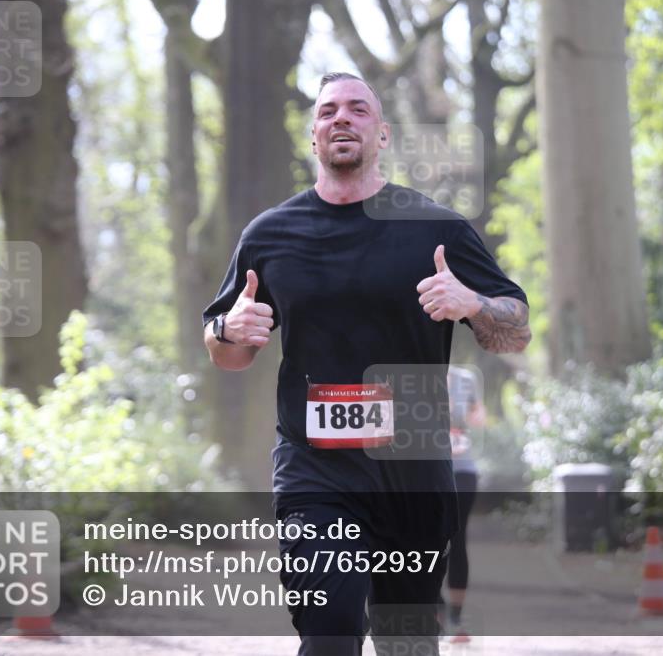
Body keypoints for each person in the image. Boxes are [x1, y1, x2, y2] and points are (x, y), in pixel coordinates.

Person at [202, 71, 530, 656]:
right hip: (314, 472)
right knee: (330, 638)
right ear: (313, 136)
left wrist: (474, 304)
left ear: (381, 134)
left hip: (414, 472)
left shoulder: (436, 229)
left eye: (357, 110)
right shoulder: (269, 235)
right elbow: (229, 355)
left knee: (407, 643)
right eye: (328, 111)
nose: (341, 119)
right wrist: (228, 330)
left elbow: (516, 332)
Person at [441, 366, 484, 644]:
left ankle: (456, 617)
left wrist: (464, 412)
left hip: (461, 469)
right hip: (420, 470)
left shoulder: (465, 379)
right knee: (422, 539)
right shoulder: (406, 376)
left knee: (457, 539)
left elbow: (479, 419)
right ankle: (434, 612)